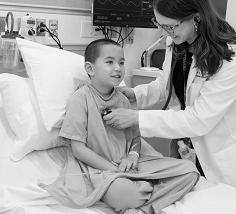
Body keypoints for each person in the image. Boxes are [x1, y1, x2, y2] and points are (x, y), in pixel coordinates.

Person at [103, 0, 236, 206]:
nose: (165, 32)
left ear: (196, 18)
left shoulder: (232, 58)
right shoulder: (176, 43)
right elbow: (165, 86)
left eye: (171, 26)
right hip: (188, 151)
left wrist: (136, 118)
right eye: (160, 24)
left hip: (224, 157)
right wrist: (132, 95)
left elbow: (200, 119)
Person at [40, 39, 200, 214]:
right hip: (98, 167)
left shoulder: (124, 99)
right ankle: (142, 194)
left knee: (189, 171)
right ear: (90, 69)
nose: (118, 67)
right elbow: (78, 149)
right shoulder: (81, 98)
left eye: (121, 62)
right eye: (109, 62)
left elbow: (135, 138)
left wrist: (132, 156)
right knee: (130, 195)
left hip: (128, 164)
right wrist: (114, 170)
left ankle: (144, 209)